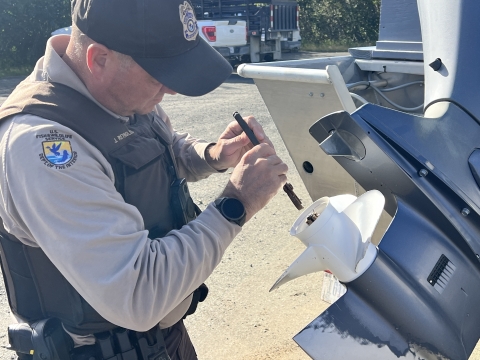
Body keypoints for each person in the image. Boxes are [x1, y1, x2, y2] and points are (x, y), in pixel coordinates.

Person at [0, 0, 288, 359]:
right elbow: (137, 293)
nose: (173, 90)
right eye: (161, 76)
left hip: (161, 341)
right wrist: (237, 202)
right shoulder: (43, 146)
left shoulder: (113, 94)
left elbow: (159, 145)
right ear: (99, 59)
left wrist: (213, 155)